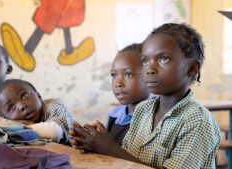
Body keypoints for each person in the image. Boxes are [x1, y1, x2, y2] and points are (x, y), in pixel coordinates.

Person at [69, 23, 221, 169]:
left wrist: (111, 149)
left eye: (163, 59)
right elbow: (126, 158)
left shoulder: (198, 121)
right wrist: (93, 143)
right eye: (145, 61)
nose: (149, 69)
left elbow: (119, 154)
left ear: (192, 68)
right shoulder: (143, 110)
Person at [0, 79, 74, 145]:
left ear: (39, 96)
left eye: (24, 95)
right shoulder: (2, 119)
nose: (22, 106)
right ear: (5, 117)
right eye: (11, 107)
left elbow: (56, 132)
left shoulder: (53, 105)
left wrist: (20, 128)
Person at [107, 43, 150, 145]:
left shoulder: (154, 118)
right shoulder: (115, 114)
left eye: (128, 74)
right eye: (114, 75)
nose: (118, 83)